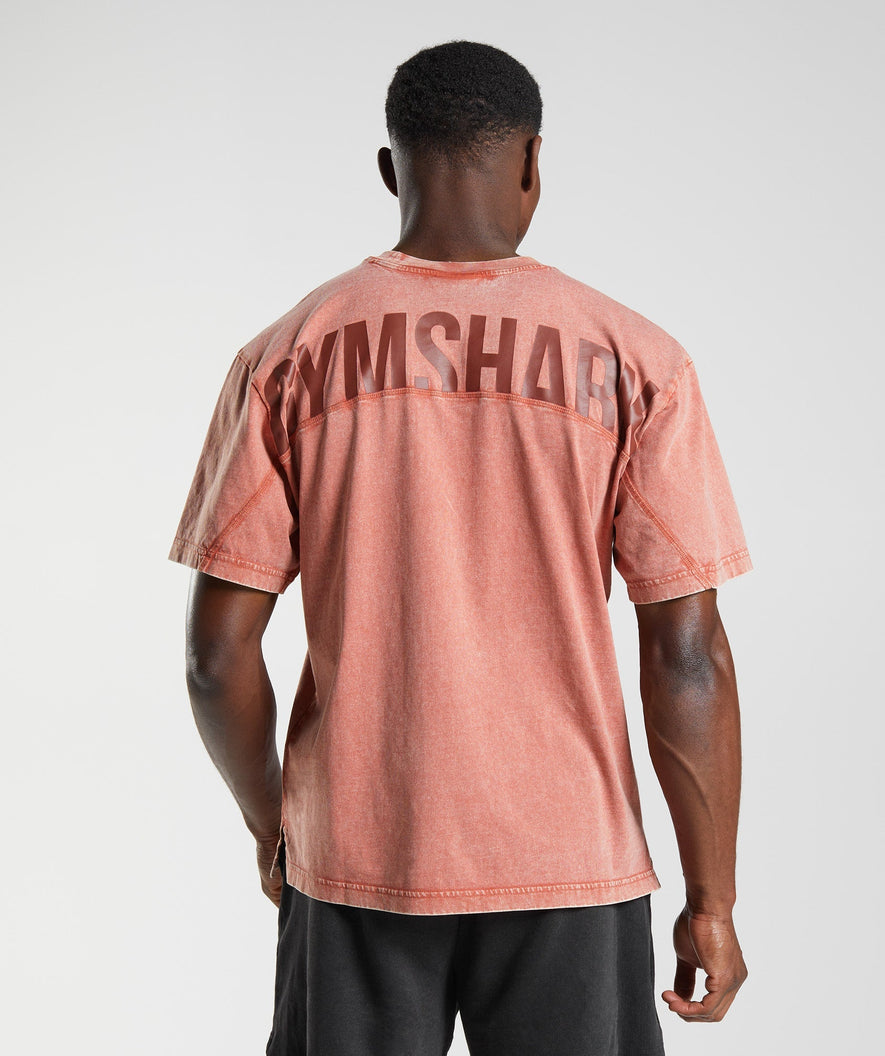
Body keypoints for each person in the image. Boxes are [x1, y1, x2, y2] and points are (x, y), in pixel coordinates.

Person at [169, 39, 751, 1056]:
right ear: (532, 163)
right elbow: (687, 651)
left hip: (357, 854)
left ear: (388, 169)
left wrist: (276, 826)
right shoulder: (638, 360)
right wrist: (713, 901)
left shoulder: (284, 357)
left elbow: (216, 659)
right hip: (571, 858)